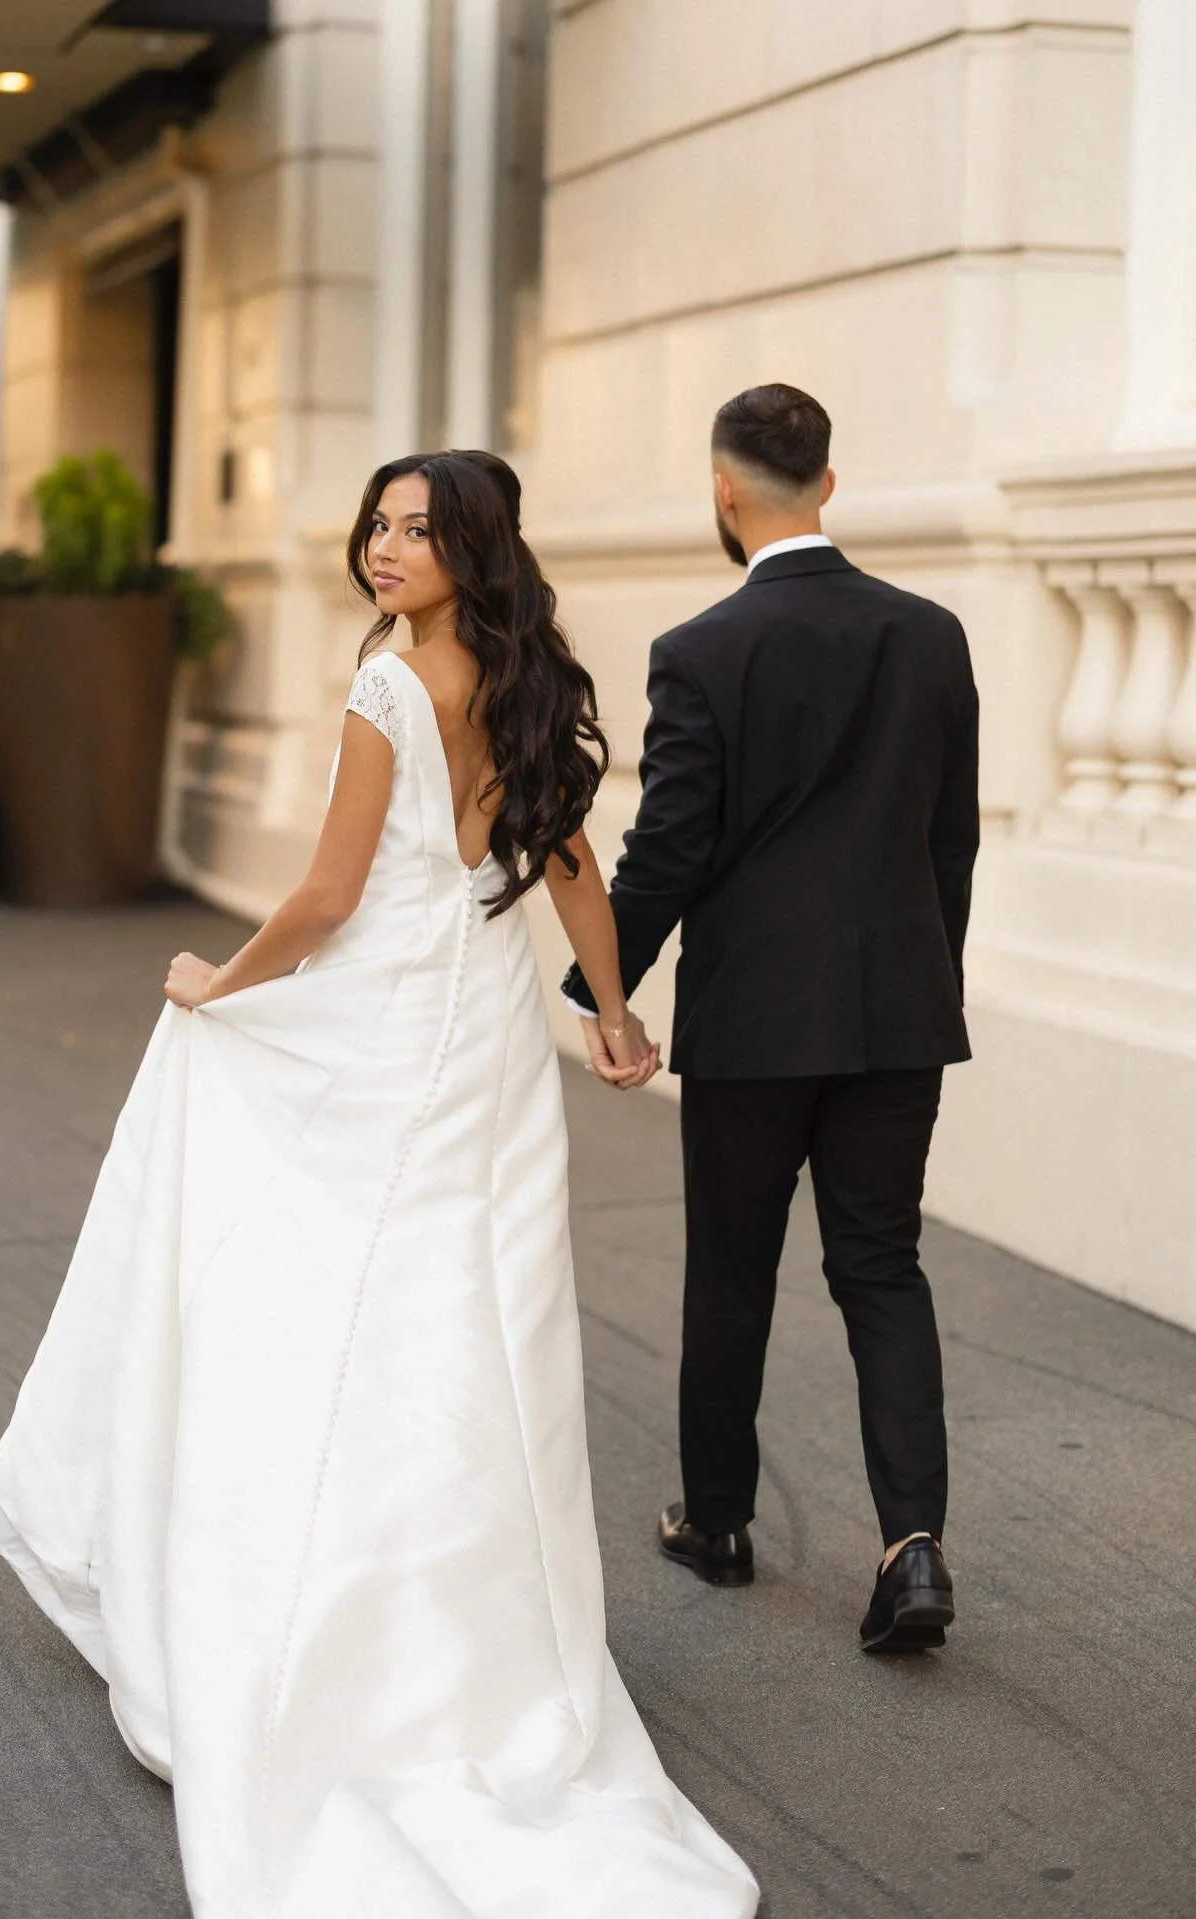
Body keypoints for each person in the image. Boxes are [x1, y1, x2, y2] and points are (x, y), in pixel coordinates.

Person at [0, 450, 759, 1918]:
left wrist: (221, 975)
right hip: (488, 1025)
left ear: (471, 547)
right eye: (380, 524)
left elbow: (332, 896)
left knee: (342, 1302)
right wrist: (608, 1007)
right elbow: (572, 861)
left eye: (417, 529)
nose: (386, 548)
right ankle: (485, 1651)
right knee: (479, 1323)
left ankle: (336, 1638)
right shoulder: (521, 680)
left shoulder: (392, 686)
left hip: (396, 1021)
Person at [563, 385, 980, 1654]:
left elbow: (671, 843)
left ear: (724, 492)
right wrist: (923, 979)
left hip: (753, 1020)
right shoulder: (932, 633)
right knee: (882, 1266)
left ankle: (721, 1523)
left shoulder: (703, 651)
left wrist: (605, 987)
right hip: (898, 1013)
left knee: (733, 1266)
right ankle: (914, 1545)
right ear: (830, 486)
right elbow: (949, 840)